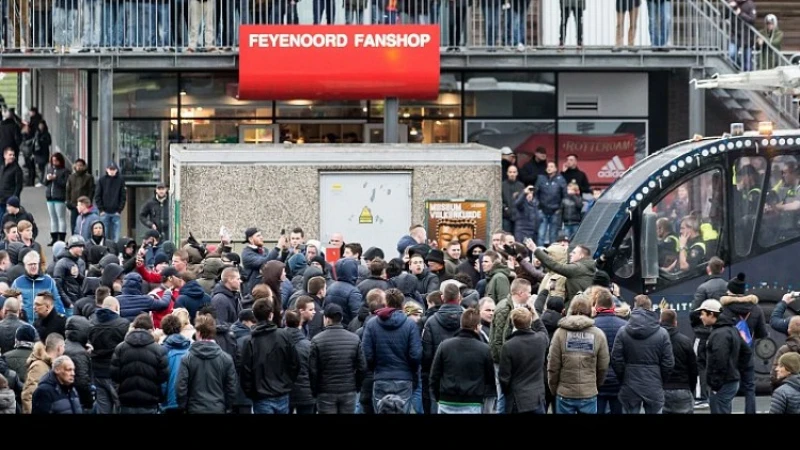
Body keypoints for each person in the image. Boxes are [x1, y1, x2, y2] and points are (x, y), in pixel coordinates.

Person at [430, 307, 495, 414]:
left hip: (446, 401)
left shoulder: (444, 346)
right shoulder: (484, 349)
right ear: (478, 326)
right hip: (473, 402)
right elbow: (490, 380)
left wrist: (439, 397)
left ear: (461, 324)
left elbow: (434, 376)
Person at [308, 303, 366, 414]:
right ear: (341, 318)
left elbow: (313, 370)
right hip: (348, 390)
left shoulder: (317, 340)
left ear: (327, 319)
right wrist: (356, 386)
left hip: (325, 391)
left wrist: (315, 390)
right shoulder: (354, 339)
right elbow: (362, 367)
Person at [176, 314, 238, 414]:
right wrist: (227, 406)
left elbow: (181, 387)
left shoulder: (187, 359)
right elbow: (231, 387)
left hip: (194, 408)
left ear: (199, 333)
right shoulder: (226, 358)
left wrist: (183, 407)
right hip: (218, 407)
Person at [499, 307, 549, 414]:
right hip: (537, 398)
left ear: (513, 323)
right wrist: (535, 315)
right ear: (530, 320)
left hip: (517, 399)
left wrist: (507, 392)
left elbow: (504, 377)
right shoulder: (540, 339)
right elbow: (543, 330)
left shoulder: (508, 346)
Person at [94, 162, 126, 242]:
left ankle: (116, 250)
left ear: (116, 170)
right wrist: (101, 210)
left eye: (113, 170)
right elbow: (97, 195)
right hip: (104, 212)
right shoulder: (101, 180)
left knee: (116, 235)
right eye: (110, 169)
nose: (112, 171)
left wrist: (119, 210)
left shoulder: (120, 180)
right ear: (107, 170)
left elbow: (123, 196)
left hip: (116, 211)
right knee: (104, 234)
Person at [65, 159, 94, 235]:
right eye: (77, 165)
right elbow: (68, 190)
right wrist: (67, 201)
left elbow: (91, 191)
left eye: (81, 165)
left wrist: (88, 202)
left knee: (85, 222)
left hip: (84, 204)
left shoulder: (88, 177)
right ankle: (74, 238)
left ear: (84, 166)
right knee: (74, 223)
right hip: (74, 204)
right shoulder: (71, 177)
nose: (79, 167)